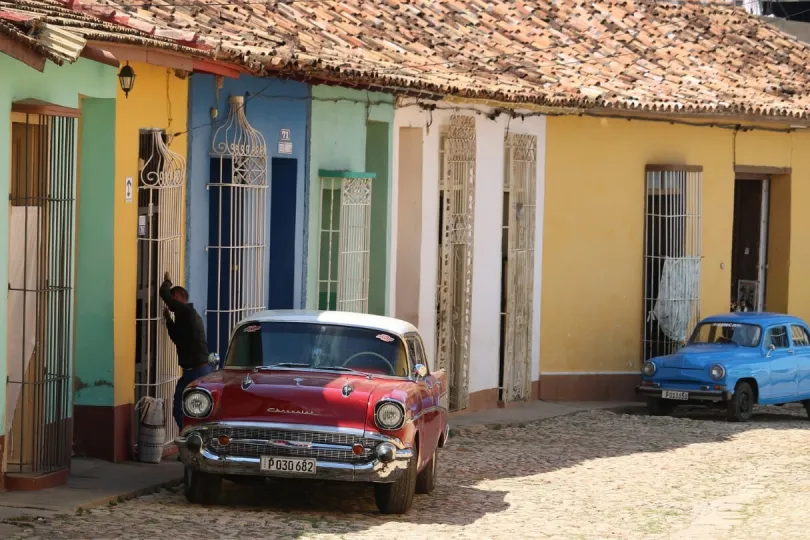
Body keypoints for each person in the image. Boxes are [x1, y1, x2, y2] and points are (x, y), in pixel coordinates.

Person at [160, 271, 215, 430]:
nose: (170, 307)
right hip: (196, 370)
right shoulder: (188, 316)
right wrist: (169, 320)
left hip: (196, 371)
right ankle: (189, 440)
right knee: (190, 408)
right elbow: (177, 338)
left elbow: (164, 294)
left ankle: (189, 438)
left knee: (183, 407)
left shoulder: (185, 311)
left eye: (172, 300)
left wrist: (167, 281)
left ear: (177, 296)